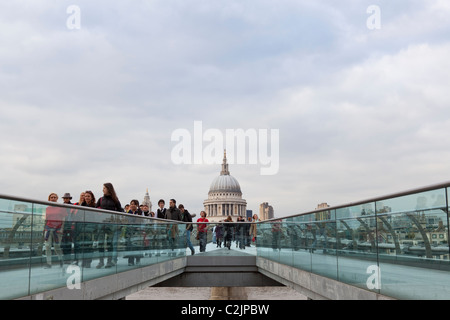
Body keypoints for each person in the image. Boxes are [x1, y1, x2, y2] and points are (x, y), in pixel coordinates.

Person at [95, 183, 123, 268]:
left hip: (111, 225)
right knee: (100, 243)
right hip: (101, 224)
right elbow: (95, 211)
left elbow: (120, 211)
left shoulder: (115, 200)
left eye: (104, 188)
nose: (102, 189)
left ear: (109, 189)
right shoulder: (100, 199)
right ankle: (101, 261)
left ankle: (109, 261)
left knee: (109, 243)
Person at [44, 193, 67, 269]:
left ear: (57, 199)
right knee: (47, 246)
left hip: (57, 228)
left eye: (54, 197)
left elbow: (63, 218)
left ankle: (60, 260)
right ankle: (49, 263)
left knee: (57, 246)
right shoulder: (47, 208)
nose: (53, 198)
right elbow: (46, 219)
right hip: (48, 228)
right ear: (49, 199)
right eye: (51, 197)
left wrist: (62, 228)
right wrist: (44, 228)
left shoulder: (61, 207)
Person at [79, 190, 97, 268]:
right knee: (82, 246)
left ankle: (88, 262)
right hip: (82, 227)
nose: (86, 198)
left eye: (88, 196)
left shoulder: (95, 206)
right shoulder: (82, 205)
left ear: (92, 197)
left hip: (91, 227)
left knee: (89, 246)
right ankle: (83, 261)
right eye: (85, 196)